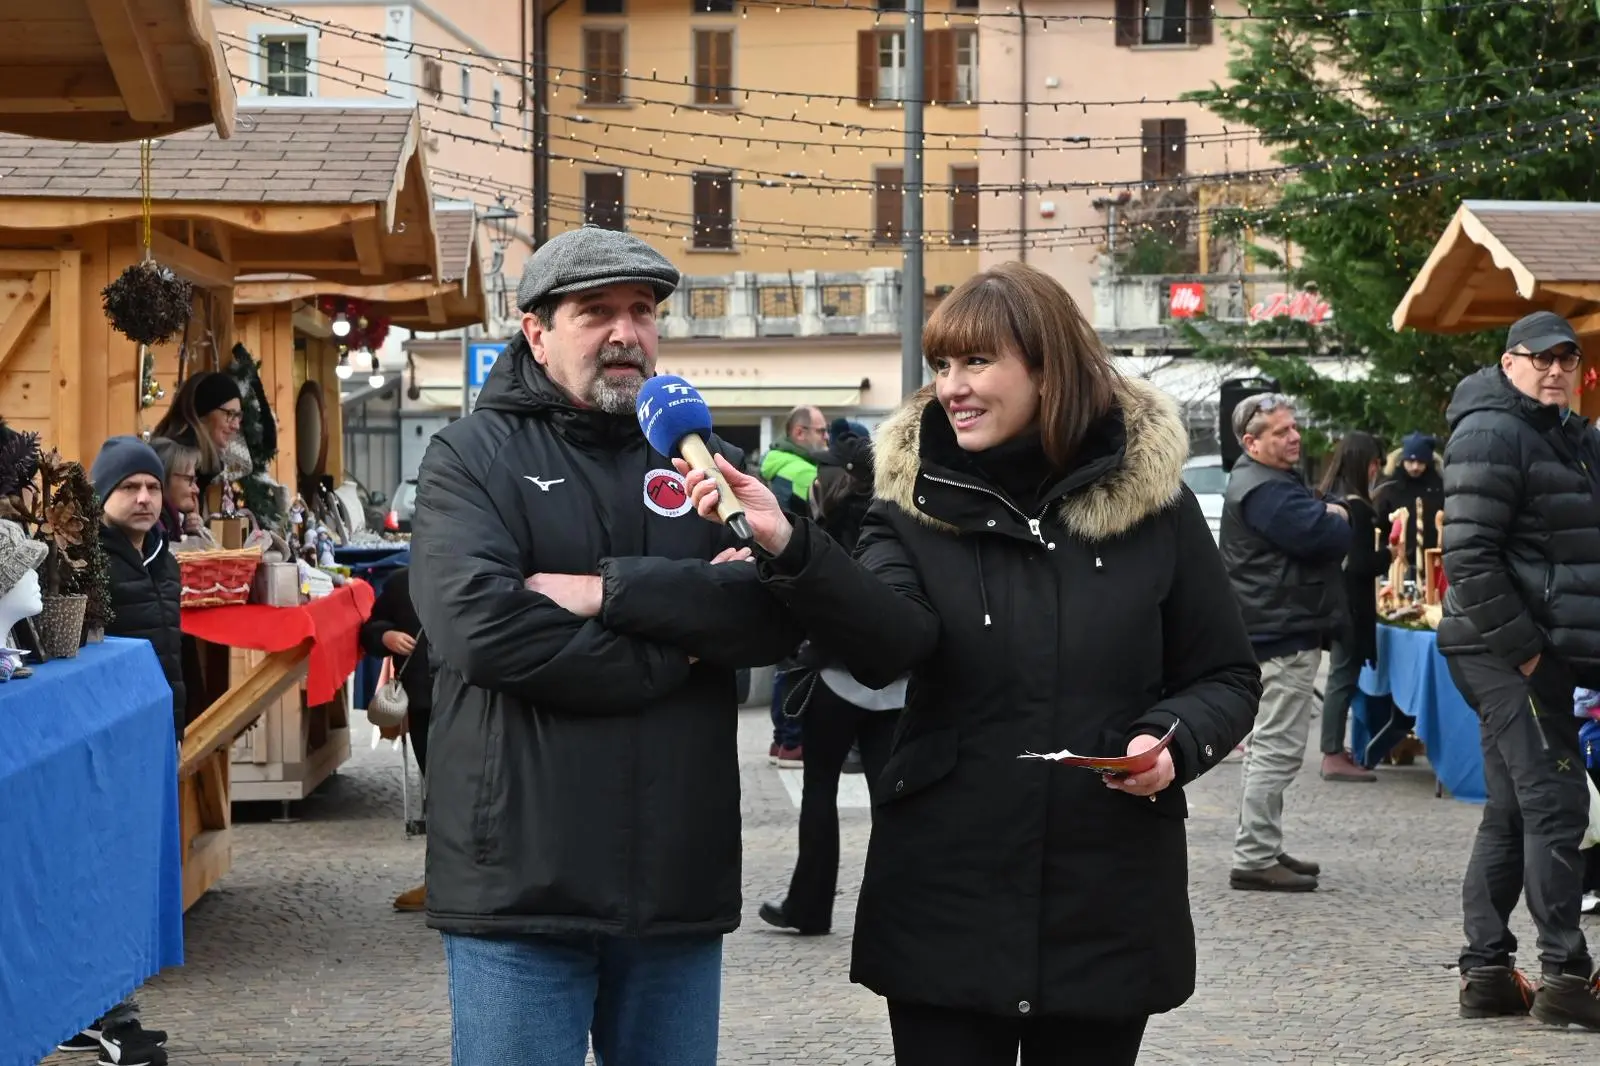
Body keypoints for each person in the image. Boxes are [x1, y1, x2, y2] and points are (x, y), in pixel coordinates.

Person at [675, 262, 1260, 1066]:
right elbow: (887, 647)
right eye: (943, 366)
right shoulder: (909, 506)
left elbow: (1226, 675)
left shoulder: (1156, 508)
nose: (953, 386)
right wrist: (788, 542)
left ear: (1050, 370)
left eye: (977, 362)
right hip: (945, 900)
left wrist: (1171, 741)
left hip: (1106, 899)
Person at [407, 224, 801, 1066]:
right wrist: (680, 650)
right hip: (521, 884)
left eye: (643, 310)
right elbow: (485, 631)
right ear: (537, 331)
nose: (628, 332)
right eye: (597, 312)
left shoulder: (704, 458)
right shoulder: (469, 459)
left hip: (675, 883)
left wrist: (601, 598)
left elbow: (772, 610)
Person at [1439, 310, 1600, 1030]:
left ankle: (1487, 973)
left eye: (1567, 359)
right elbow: (1468, 557)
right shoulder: (1492, 430)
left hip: (1527, 648)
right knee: (1555, 804)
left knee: (1511, 811)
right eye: (1541, 359)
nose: (1556, 370)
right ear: (1510, 364)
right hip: (1504, 650)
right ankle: (1566, 976)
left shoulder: (1563, 434)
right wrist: (1530, 652)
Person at [63, 435, 183, 1066]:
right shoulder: (84, 563)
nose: (143, 498)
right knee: (103, 877)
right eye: (130, 487)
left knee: (131, 877)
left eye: (153, 487)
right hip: (103, 747)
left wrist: (178, 727)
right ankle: (111, 1014)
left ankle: (92, 1011)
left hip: (153, 738)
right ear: (103, 495)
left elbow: (171, 656)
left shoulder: (164, 555)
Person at [758, 422, 904, 937]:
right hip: (894, 678)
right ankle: (895, 909)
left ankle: (810, 906)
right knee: (893, 800)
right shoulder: (901, 514)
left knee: (819, 791)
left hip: (835, 672)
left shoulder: (822, 518)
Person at [1220, 393, 1349, 892]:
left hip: (1274, 626)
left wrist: (1330, 515)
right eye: (1281, 432)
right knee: (1276, 749)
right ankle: (1254, 856)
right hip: (1280, 632)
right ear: (1252, 443)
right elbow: (1322, 535)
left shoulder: (1262, 481)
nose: (1294, 437)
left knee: (1270, 746)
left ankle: (1264, 845)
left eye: (1294, 427)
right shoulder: (1265, 491)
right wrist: (1340, 517)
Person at [358, 565, 432, 912]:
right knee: (440, 795)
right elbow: (371, 629)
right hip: (426, 705)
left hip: (481, 701)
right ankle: (442, 881)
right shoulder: (403, 582)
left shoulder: (484, 572)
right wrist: (387, 637)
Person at [1316, 431, 1387, 782]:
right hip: (1350, 608)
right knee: (1342, 678)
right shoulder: (1353, 506)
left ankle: (1333, 747)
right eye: (1375, 463)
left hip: (1341, 605)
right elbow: (1360, 564)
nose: (1377, 470)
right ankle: (1331, 752)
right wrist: (1389, 555)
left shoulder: (1337, 498)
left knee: (1341, 677)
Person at [151, 371, 243, 494]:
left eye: (238, 416)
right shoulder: (178, 463)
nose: (236, 425)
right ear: (203, 414)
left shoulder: (209, 464)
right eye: (230, 414)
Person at [1374, 430, 1444, 576]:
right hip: (1396, 565)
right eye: (1410, 462)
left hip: (1433, 562)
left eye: (1420, 462)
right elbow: (1379, 525)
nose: (1415, 467)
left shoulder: (1439, 488)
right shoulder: (1389, 488)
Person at [147, 436, 209, 547]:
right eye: (189, 480)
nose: (196, 489)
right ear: (163, 478)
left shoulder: (174, 522)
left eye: (195, 481)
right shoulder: (152, 528)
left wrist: (191, 531)